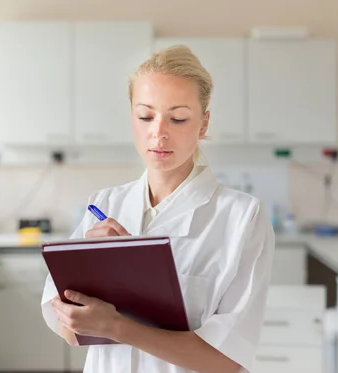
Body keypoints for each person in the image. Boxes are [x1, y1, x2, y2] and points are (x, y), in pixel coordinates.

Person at [41, 45, 275, 373]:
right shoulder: (104, 205)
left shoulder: (242, 218)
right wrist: (95, 276)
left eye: (178, 117)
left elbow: (227, 361)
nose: (159, 132)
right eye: (146, 116)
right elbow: (70, 330)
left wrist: (116, 326)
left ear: (203, 124)